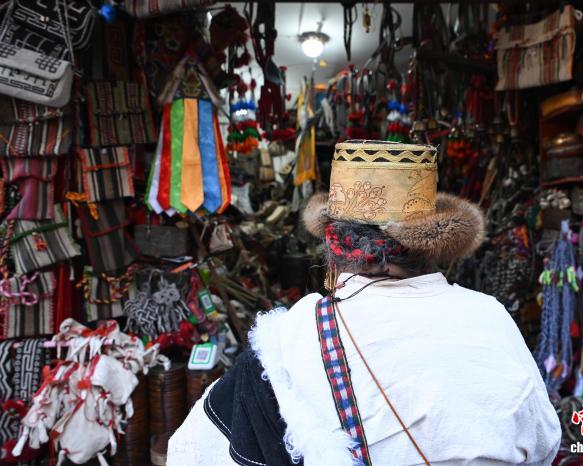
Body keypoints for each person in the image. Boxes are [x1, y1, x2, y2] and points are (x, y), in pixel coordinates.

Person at [167, 140, 561, 466]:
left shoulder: (290, 339)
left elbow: (191, 452)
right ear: (432, 247)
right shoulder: (489, 316)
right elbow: (544, 441)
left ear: (333, 250)